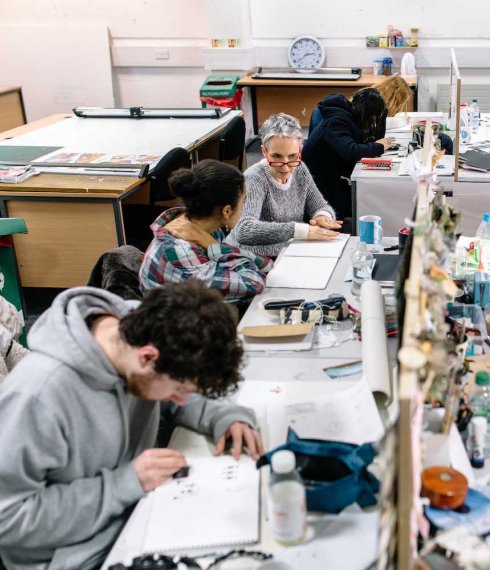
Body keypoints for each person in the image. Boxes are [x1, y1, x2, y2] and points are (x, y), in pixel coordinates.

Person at [0, 281, 262, 569]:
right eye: (179, 390)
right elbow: (8, 519)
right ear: (147, 358)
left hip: (140, 509)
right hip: (75, 554)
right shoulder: (36, 396)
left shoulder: (142, 328)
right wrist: (123, 485)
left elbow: (178, 381)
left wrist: (224, 416)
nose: (183, 400)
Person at [139, 159, 271, 306]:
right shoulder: (181, 250)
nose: (244, 207)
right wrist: (213, 245)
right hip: (175, 326)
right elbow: (255, 284)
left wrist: (210, 243)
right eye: (243, 202)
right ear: (226, 211)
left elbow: (268, 266)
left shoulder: (201, 225)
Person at [226, 113, 341, 259]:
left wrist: (322, 217)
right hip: (251, 258)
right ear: (264, 151)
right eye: (277, 156)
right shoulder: (254, 178)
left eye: (292, 156)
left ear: (300, 151)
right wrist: (299, 230)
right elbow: (244, 230)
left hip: (287, 252)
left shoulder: (300, 169)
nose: (286, 166)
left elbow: (321, 206)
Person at [303, 88, 395, 223]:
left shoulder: (349, 116)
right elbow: (351, 151)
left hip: (333, 175)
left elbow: (367, 139)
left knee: (367, 195)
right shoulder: (337, 121)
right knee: (366, 197)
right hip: (319, 183)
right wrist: (379, 146)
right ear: (367, 113)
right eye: (374, 117)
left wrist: (383, 115)